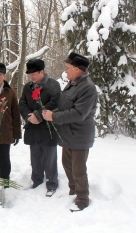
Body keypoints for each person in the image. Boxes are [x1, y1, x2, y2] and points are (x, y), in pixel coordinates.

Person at [42, 52, 97, 211]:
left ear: (78, 69)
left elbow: (79, 113)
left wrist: (55, 116)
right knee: (67, 165)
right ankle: (73, 191)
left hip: (80, 135)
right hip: (68, 134)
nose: (65, 71)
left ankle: (82, 199)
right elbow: (66, 105)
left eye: (68, 68)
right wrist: (51, 112)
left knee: (78, 168)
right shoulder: (73, 83)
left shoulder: (88, 88)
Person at [19, 59, 61, 196]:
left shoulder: (53, 85)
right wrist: (28, 116)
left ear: (42, 71)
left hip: (48, 127)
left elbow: (55, 103)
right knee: (35, 156)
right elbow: (22, 103)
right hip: (33, 128)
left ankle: (52, 183)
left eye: (34, 73)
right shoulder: (28, 87)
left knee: (49, 157)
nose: (31, 76)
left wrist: (39, 116)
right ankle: (37, 180)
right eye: (29, 74)